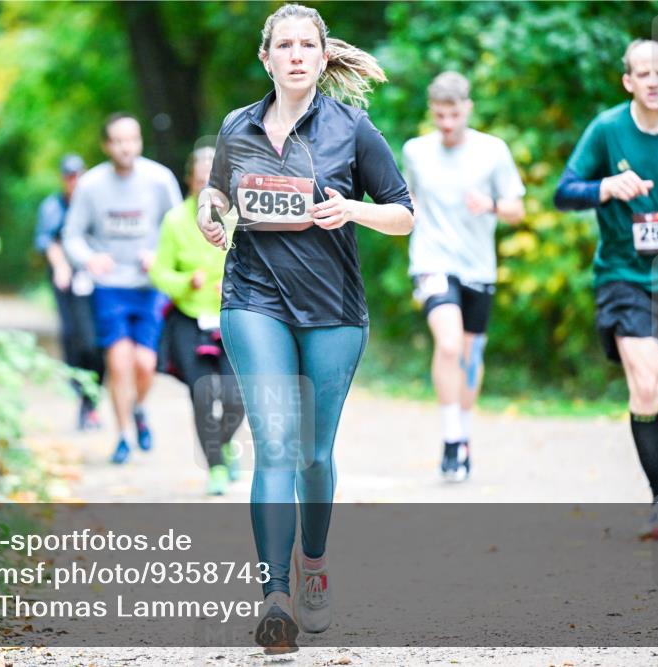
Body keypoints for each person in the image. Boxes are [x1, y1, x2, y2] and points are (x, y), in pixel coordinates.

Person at [197, 3, 413, 652]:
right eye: (283, 45)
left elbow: (404, 214)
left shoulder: (353, 129)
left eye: (305, 45)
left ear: (322, 58)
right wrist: (212, 215)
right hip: (253, 300)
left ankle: (312, 563)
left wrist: (353, 209)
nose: (294, 54)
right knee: (275, 443)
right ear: (266, 58)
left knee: (315, 455)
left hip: (333, 311)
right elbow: (217, 192)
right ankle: (275, 596)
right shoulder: (237, 126)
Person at [554, 39, 658, 538]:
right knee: (647, 387)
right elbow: (564, 192)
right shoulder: (607, 129)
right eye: (641, 74)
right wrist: (606, 187)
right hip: (625, 276)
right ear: (628, 81)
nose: (651, 81)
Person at [403, 72, 526, 482]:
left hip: (478, 267)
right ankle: (451, 438)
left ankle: (464, 435)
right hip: (432, 261)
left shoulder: (493, 151)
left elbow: (517, 210)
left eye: (454, 115)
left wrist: (490, 204)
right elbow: (409, 199)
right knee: (450, 344)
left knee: (471, 356)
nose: (448, 124)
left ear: (467, 108)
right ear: (431, 112)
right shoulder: (416, 151)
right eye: (440, 115)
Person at [63, 113, 182, 464]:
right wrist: (89, 260)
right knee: (118, 363)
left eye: (131, 139)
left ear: (140, 141)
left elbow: (178, 228)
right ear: (106, 145)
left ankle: (138, 409)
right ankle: (122, 437)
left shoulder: (159, 179)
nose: (125, 146)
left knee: (145, 364)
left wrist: (160, 255)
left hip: (148, 285)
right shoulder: (91, 185)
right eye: (117, 140)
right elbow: (72, 235)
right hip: (110, 286)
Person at [150, 146, 246, 495]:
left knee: (237, 397)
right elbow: (160, 271)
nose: (206, 183)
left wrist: (234, 284)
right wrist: (184, 282)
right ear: (190, 179)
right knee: (204, 396)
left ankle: (221, 444)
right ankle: (216, 468)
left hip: (232, 317)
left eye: (214, 177)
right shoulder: (175, 220)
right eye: (200, 176)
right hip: (189, 319)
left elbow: (262, 265)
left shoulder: (240, 216)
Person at [34, 154, 105, 431]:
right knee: (73, 339)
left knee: (96, 342)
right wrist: (62, 267)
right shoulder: (53, 206)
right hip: (67, 280)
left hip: (96, 279)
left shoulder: (96, 200)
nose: (74, 181)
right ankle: (84, 400)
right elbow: (48, 241)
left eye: (78, 175)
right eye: (69, 176)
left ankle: (93, 398)